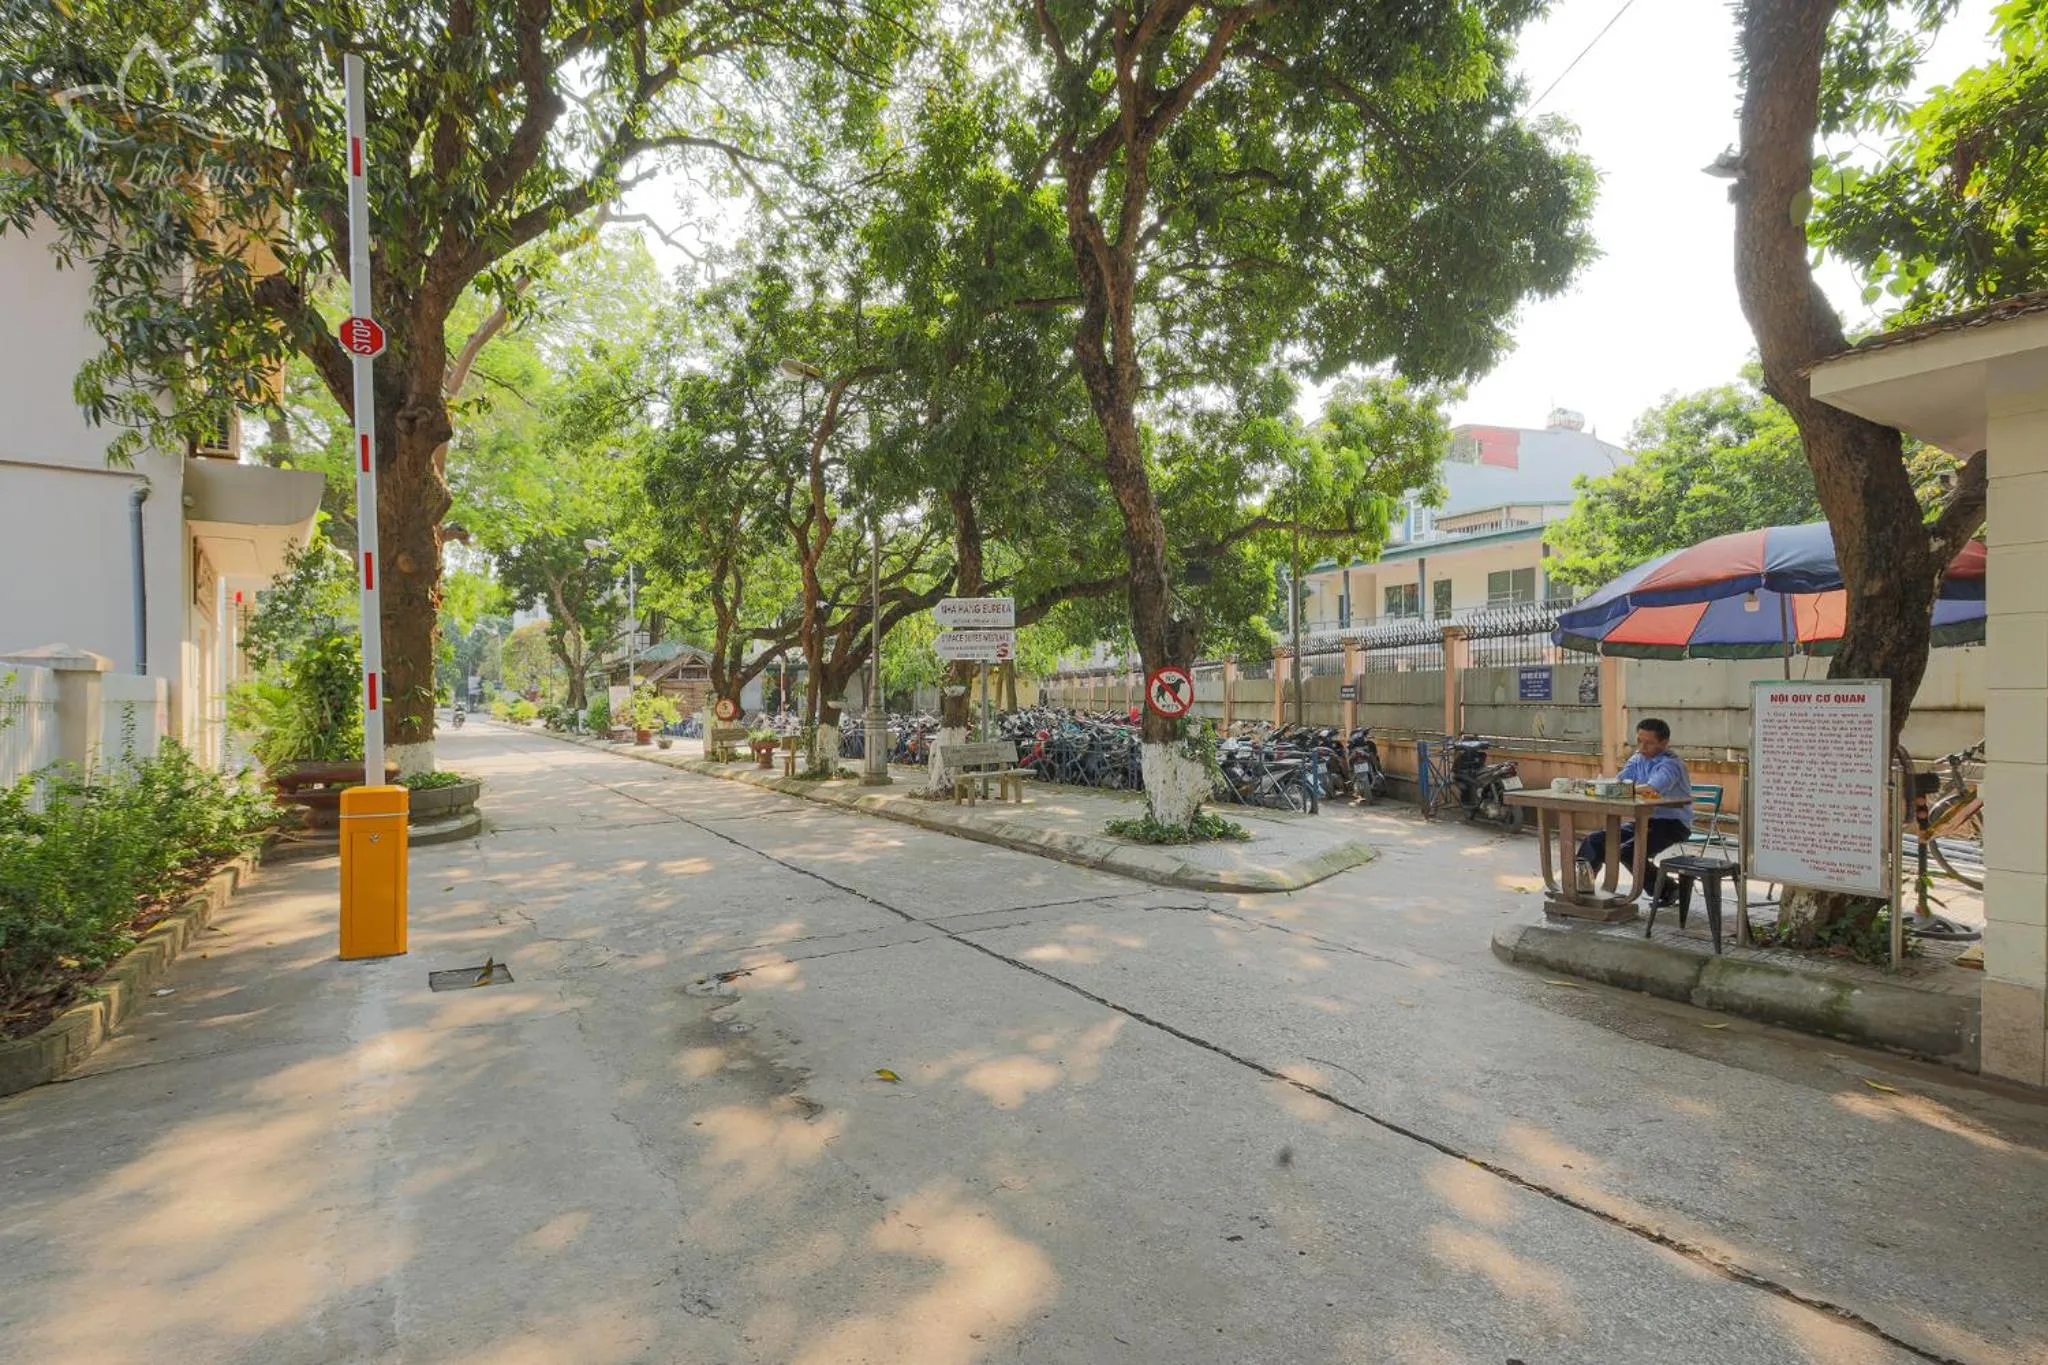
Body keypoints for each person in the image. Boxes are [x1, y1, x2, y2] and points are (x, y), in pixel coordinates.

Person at [1576, 717, 1692, 894]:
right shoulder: (1637, 759)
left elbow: (1652, 788)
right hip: (1645, 821)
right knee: (1594, 841)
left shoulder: (1671, 764)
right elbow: (1620, 781)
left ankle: (1668, 891)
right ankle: (1582, 889)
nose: (1642, 747)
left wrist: (1617, 789)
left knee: (1629, 852)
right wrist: (1600, 786)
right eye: (1639, 741)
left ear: (1664, 743)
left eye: (1649, 743)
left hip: (1673, 825)